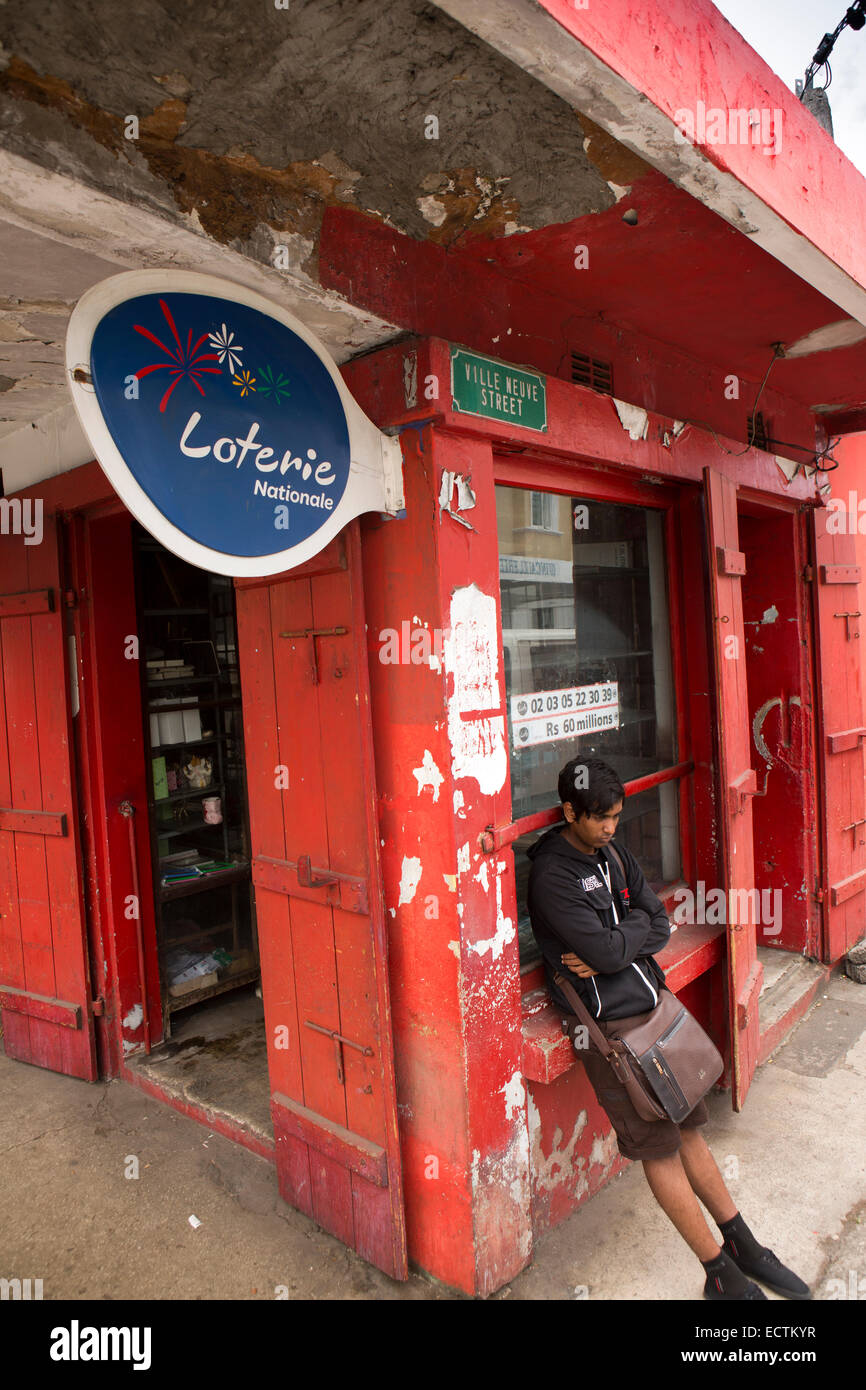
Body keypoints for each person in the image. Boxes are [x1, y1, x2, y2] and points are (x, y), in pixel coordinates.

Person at [526, 755, 810, 1301]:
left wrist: (621, 941)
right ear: (569, 812)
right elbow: (613, 945)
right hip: (607, 1031)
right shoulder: (553, 876)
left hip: (654, 1007)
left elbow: (656, 921)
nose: (612, 828)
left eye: (616, 816)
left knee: (688, 1127)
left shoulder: (610, 852)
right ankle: (719, 1274)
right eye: (600, 818)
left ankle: (743, 1244)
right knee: (658, 1147)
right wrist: (622, 941)